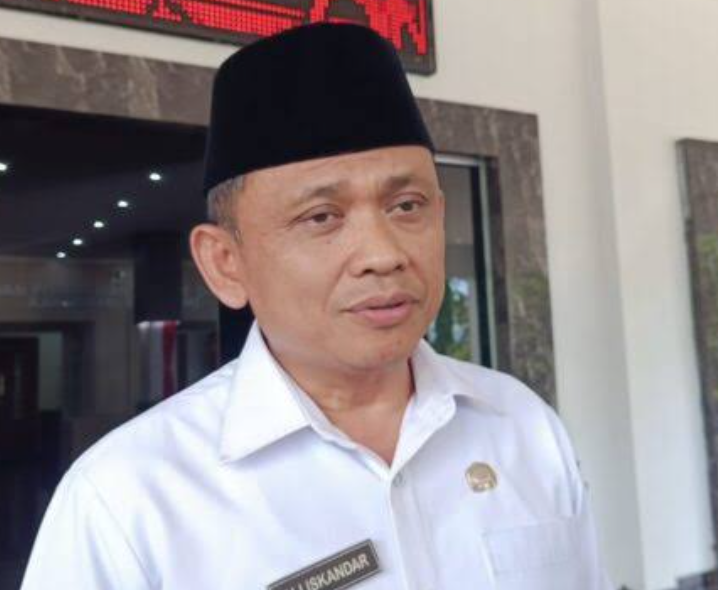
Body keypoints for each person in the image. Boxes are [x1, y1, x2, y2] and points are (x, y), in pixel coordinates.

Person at [20, 22, 613, 590]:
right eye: (322, 217)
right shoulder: (130, 497)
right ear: (225, 263)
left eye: (407, 206)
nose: (383, 254)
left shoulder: (521, 425)